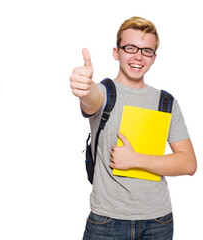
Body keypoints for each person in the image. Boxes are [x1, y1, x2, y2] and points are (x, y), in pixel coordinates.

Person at [69, 16, 197, 239]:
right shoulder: (104, 92)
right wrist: (84, 87)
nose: (138, 56)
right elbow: (90, 99)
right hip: (107, 220)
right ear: (116, 52)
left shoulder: (166, 102)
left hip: (159, 220)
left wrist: (135, 159)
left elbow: (188, 163)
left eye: (146, 51)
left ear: (154, 57)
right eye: (130, 48)